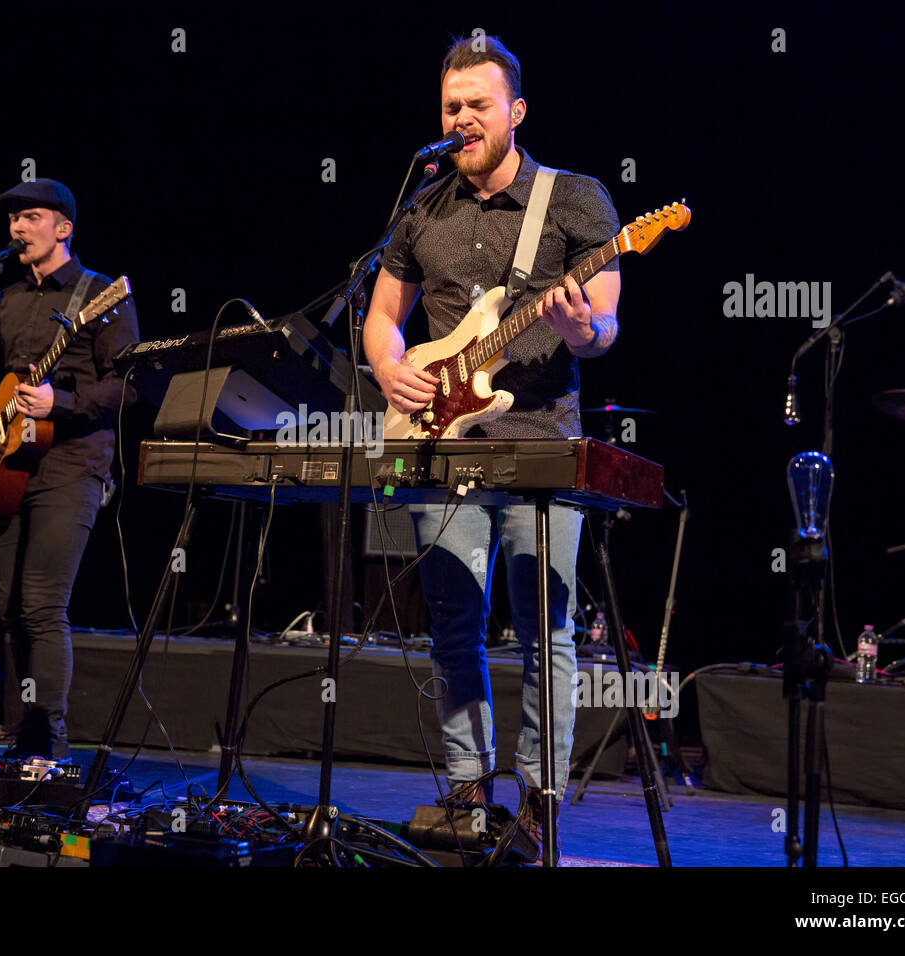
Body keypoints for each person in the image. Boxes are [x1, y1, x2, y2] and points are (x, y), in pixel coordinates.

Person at [363, 36, 621, 862]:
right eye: (451, 106)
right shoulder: (424, 209)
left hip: (542, 443)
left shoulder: (574, 199)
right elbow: (380, 317)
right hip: (443, 442)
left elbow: (603, 327)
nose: (462, 117)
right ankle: (468, 789)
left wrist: (584, 327)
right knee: (452, 621)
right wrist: (390, 368)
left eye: (478, 103)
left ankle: (540, 799)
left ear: (515, 111)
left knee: (547, 630)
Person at [0, 178, 139, 760]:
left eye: (30, 217)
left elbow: (130, 384)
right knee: (8, 609)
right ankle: (14, 736)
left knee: (41, 605)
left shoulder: (101, 294)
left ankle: (46, 743)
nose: (16, 229)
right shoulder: (2, 299)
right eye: (12, 220)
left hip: (72, 465)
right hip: (4, 467)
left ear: (64, 227)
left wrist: (65, 403)